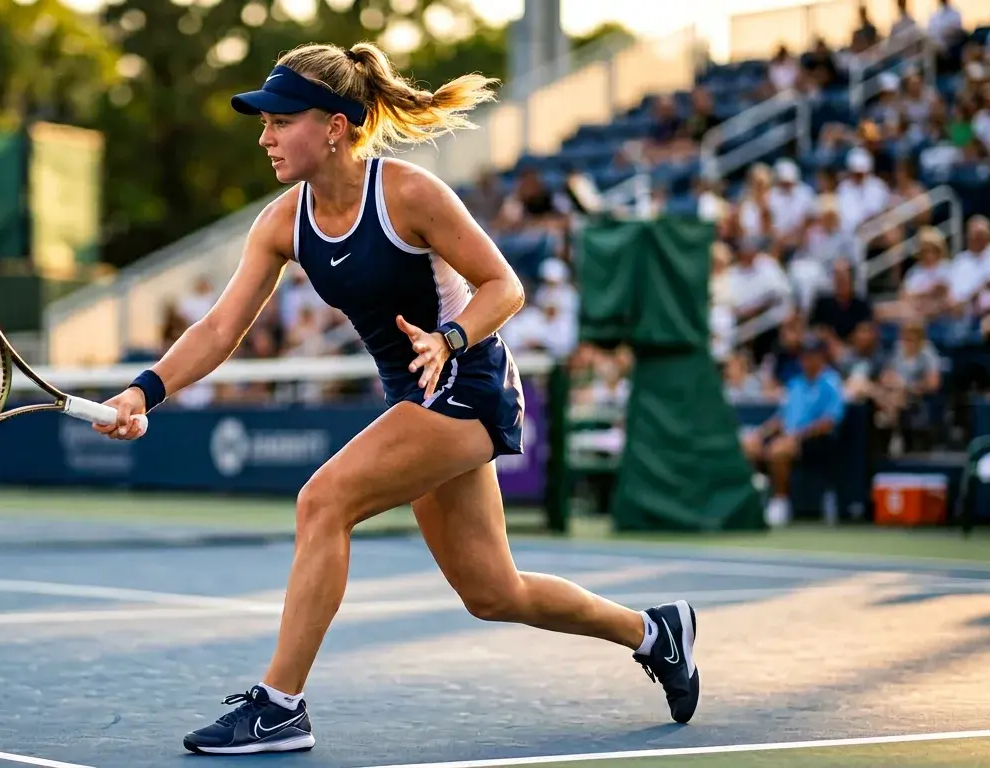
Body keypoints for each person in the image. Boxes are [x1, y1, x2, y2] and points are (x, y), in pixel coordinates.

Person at [93, 42, 700, 755]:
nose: (265, 137)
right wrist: (145, 389)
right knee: (493, 592)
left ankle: (281, 706)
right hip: (413, 398)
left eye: (280, 120)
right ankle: (655, 632)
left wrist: (450, 336)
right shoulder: (282, 223)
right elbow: (222, 327)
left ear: (335, 125)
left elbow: (504, 286)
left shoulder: (410, 194)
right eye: (263, 122)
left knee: (323, 501)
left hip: (467, 387)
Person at [742, 335, 845, 527]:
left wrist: (796, 437)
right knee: (748, 445)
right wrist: (760, 433)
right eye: (804, 356)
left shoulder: (831, 382)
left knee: (779, 451)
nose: (805, 360)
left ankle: (780, 502)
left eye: (811, 356)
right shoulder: (795, 383)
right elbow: (782, 417)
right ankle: (754, 499)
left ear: (820, 357)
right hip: (789, 436)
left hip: (818, 442)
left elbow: (829, 422)